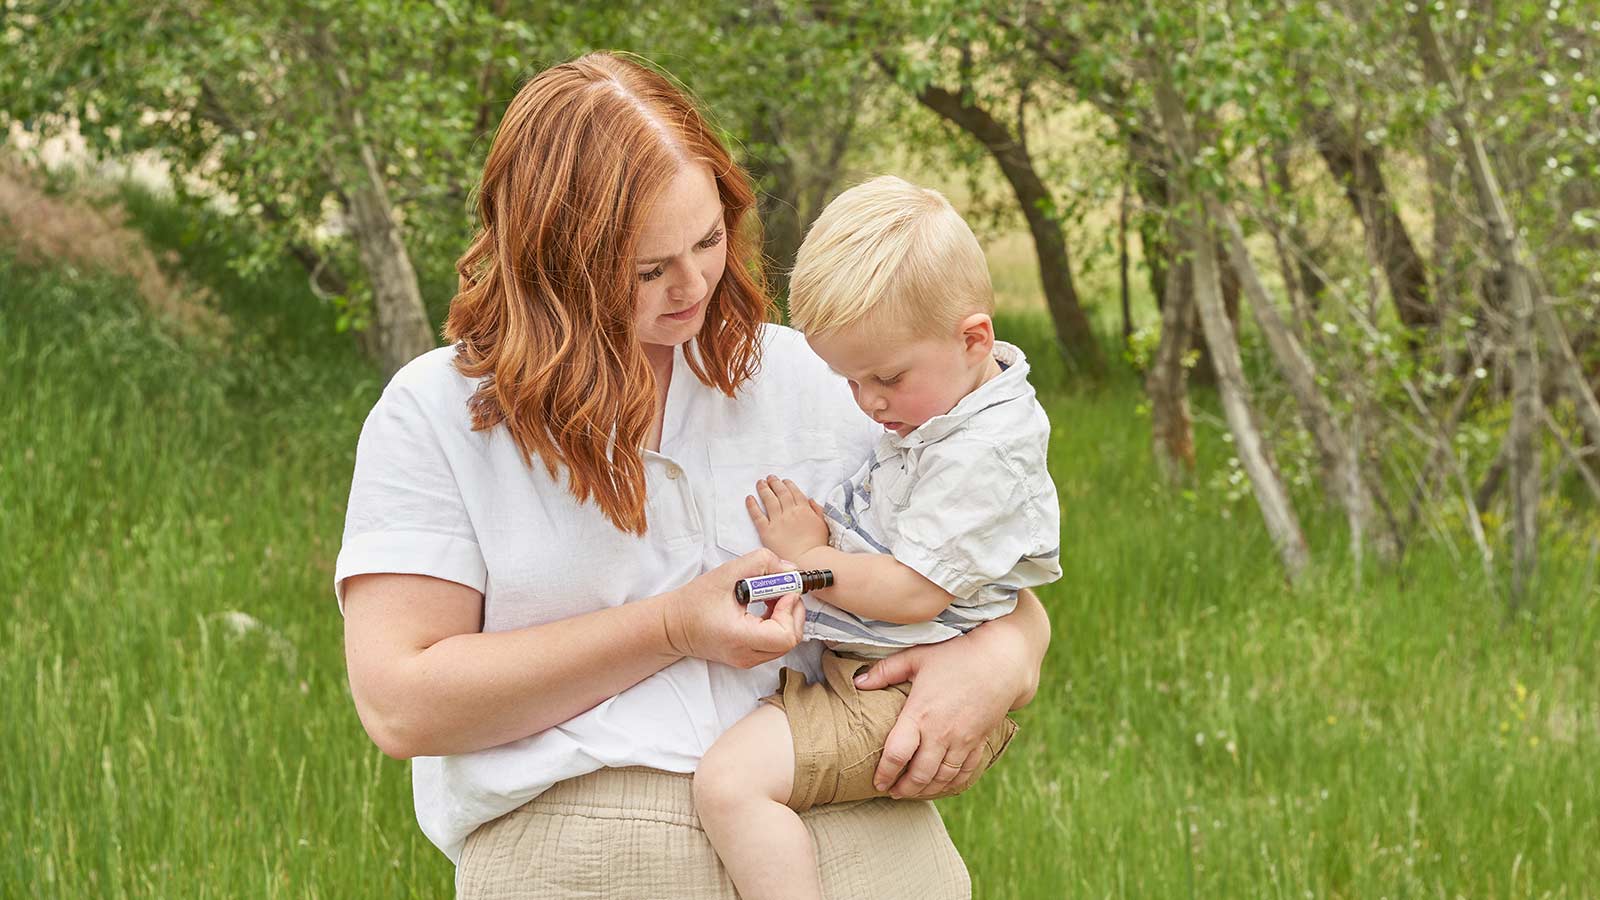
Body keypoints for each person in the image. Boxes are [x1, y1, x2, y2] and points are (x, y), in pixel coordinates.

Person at [335, 53, 1052, 898]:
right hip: (584, 849)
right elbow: (400, 704)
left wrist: (1008, 654)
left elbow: (972, 560)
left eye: (708, 239)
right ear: (551, 268)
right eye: (647, 270)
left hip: (846, 826)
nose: (693, 285)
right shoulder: (441, 414)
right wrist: (672, 627)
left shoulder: (831, 377)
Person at [692, 176, 1062, 900]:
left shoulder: (981, 451)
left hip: (899, 690)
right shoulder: (941, 407)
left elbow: (912, 589)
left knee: (731, 785)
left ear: (973, 337)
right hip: (877, 664)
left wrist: (810, 560)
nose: (868, 403)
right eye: (849, 381)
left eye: (884, 377)